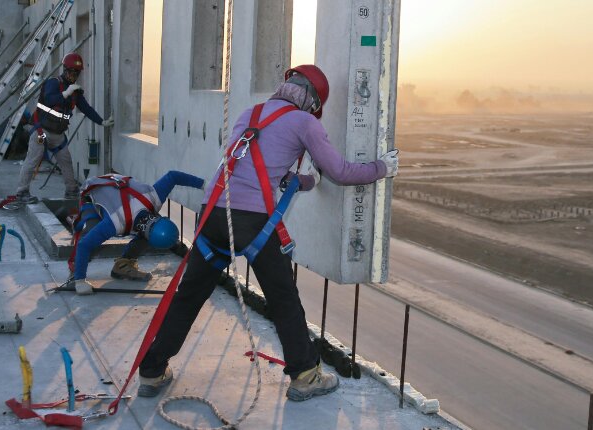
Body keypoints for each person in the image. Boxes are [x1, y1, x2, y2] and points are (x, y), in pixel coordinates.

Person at [136, 64, 400, 401]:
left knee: (188, 296)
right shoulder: (304, 122)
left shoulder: (250, 114)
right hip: (250, 222)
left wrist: (306, 181)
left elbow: (260, 170)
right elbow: (342, 171)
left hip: (213, 213)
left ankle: (152, 370)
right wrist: (383, 167)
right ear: (310, 100)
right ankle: (305, 375)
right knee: (283, 299)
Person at [69, 170, 204, 295]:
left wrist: (204, 184)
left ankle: (123, 265)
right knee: (89, 233)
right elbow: (84, 245)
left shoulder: (153, 197)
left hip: (119, 190)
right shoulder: (115, 222)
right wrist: (80, 281)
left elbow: (173, 176)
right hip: (93, 193)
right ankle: (76, 269)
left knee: (146, 234)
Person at [13, 53, 113, 205]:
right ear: (65, 70)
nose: (73, 75)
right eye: (71, 72)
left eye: (76, 73)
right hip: (42, 131)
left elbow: (86, 108)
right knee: (32, 161)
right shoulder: (54, 83)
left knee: (66, 161)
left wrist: (102, 122)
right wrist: (66, 93)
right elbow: (49, 99)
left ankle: (71, 190)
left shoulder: (75, 91)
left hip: (58, 135)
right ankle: (22, 192)